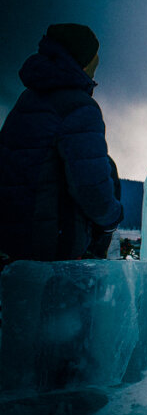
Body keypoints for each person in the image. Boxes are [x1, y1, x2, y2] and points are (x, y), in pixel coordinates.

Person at [0, 24, 123, 266]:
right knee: (107, 167)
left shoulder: (27, 100)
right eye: (94, 60)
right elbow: (91, 187)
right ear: (84, 62)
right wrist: (112, 219)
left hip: (13, 240)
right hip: (52, 246)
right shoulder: (78, 107)